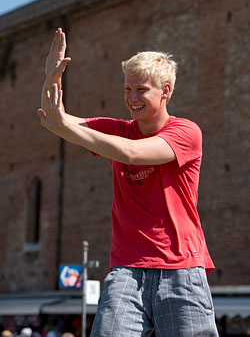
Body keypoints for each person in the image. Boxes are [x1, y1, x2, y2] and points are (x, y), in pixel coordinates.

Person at [38, 28, 219, 337]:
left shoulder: (186, 132)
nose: (132, 98)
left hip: (181, 270)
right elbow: (56, 118)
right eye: (127, 89)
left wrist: (67, 127)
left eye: (141, 90)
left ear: (166, 91)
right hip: (126, 270)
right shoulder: (119, 130)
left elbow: (133, 153)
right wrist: (51, 79)